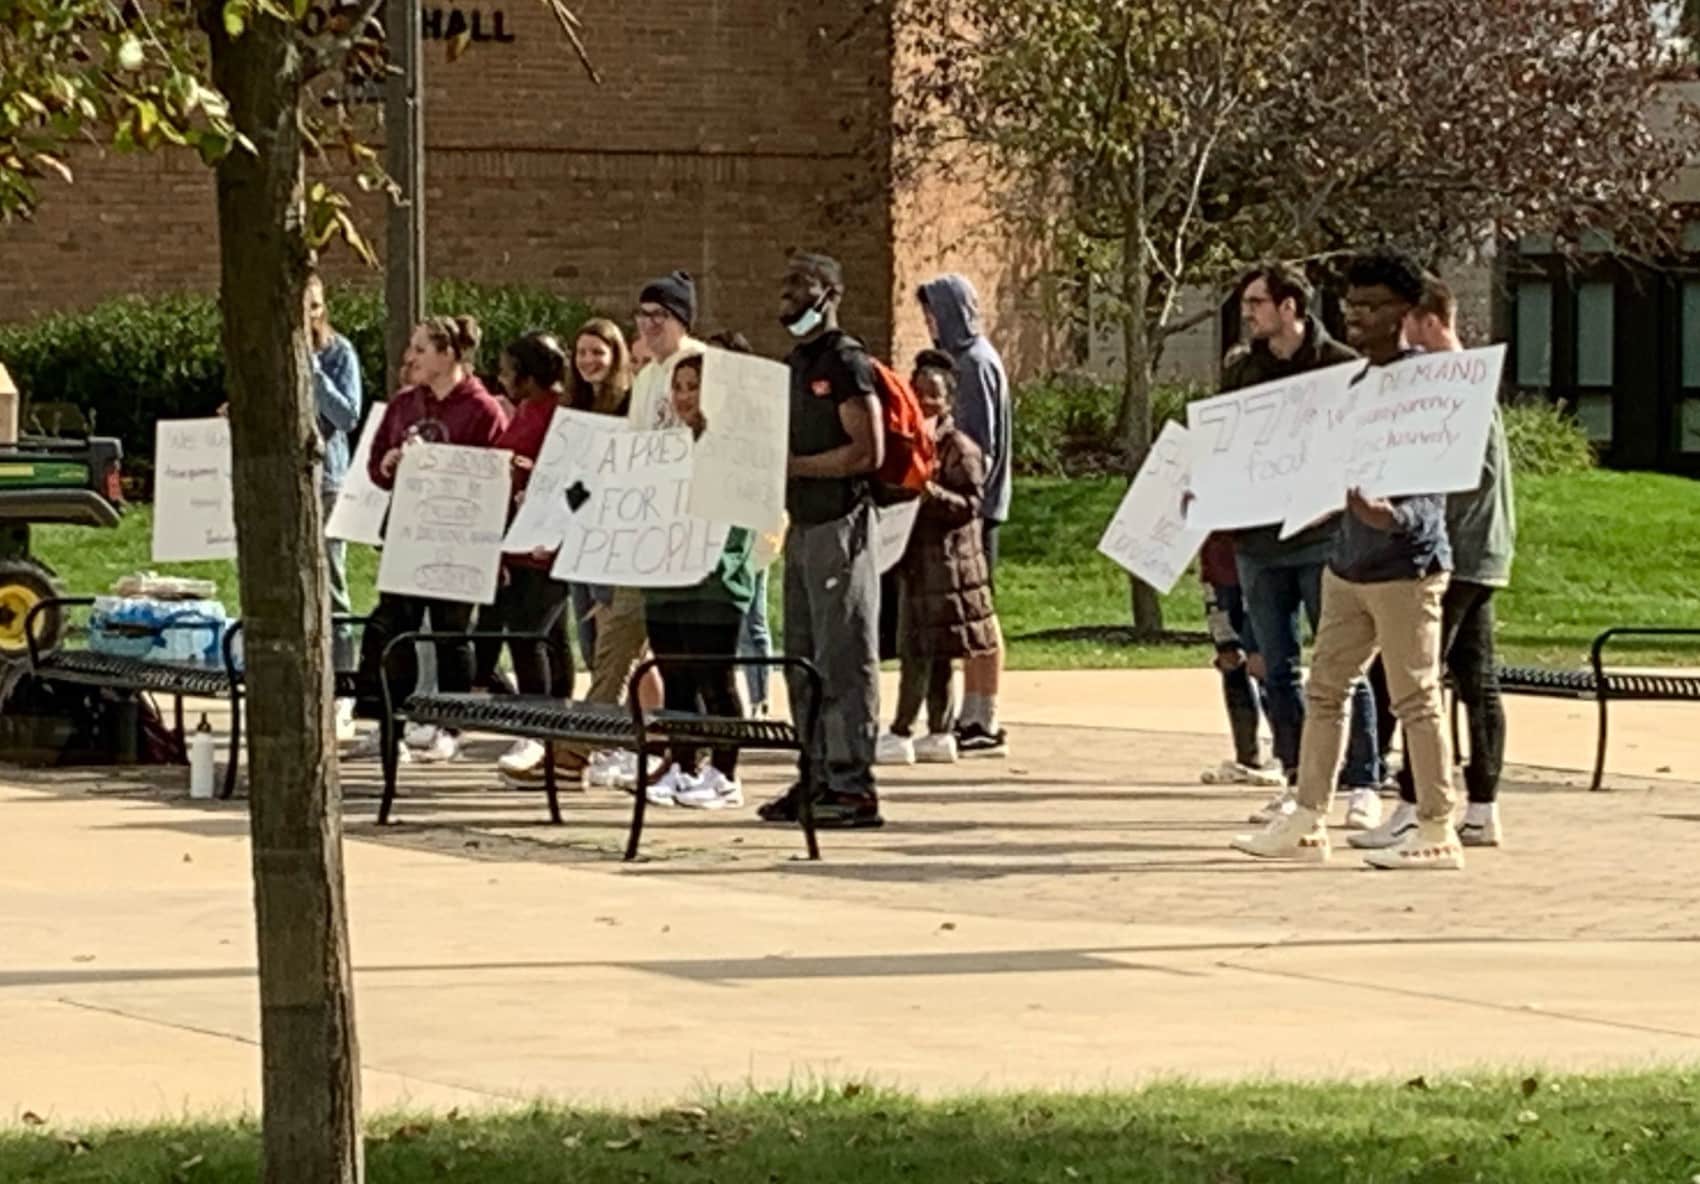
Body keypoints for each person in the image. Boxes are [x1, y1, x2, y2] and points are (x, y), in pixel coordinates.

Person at [1232, 249, 1462, 870]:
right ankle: (1308, 817)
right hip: (1346, 564)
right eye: (1352, 306)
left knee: (1414, 698)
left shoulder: (1430, 385)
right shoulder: (1353, 382)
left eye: (1372, 306)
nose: (1357, 317)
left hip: (1406, 569)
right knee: (1326, 688)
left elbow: (1433, 488)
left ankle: (1438, 826)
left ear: (1407, 313)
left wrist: (1393, 517)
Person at [1353, 274, 1515, 850]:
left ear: (1426, 320)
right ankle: (1482, 807)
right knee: (1475, 680)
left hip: (1458, 551)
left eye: (1404, 327)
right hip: (1483, 550)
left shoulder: (1454, 382)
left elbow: (1462, 474)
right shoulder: (1469, 379)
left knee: (1407, 677)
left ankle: (1417, 804)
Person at [1223, 261, 1385, 830]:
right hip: (1258, 541)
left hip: (1322, 537)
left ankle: (1363, 780)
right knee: (1275, 668)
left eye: (1257, 304)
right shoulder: (1244, 373)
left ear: (1290, 306)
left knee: (1341, 662)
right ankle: (1296, 780)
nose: (1248, 315)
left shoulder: (1342, 367)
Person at [757, 252, 885, 830]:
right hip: (802, 524)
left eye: (800, 288)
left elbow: (868, 451)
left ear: (829, 293)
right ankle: (814, 775)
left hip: (841, 522)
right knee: (803, 659)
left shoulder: (847, 362)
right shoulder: (795, 361)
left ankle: (853, 786)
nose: (788, 300)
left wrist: (799, 466)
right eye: (784, 288)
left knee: (845, 656)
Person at [348, 315, 508, 764]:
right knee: (395, 627)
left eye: (420, 348)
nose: (410, 357)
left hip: (459, 541)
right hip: (407, 535)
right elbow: (376, 463)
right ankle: (392, 723)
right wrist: (391, 463)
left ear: (449, 354)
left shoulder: (482, 410)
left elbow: (494, 475)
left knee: (451, 632)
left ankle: (450, 725)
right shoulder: (404, 404)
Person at [641, 354, 758, 809]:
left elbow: (742, 515)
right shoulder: (664, 446)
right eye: (680, 386)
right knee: (676, 679)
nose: (685, 396)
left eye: (694, 386)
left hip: (714, 583)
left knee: (715, 677)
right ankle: (683, 765)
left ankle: (725, 775)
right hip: (665, 581)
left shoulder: (734, 448)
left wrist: (717, 556)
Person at [464, 333, 579, 786]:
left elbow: (574, 477)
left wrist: (543, 486)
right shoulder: (527, 411)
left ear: (530, 376)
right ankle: (553, 725)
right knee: (544, 633)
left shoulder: (558, 415)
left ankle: (541, 727)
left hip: (544, 542)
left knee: (532, 635)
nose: (503, 377)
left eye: (509, 370)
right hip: (515, 536)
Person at [877, 350, 999, 766]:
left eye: (933, 395)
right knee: (925, 647)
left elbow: (970, 503)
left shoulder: (959, 448)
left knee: (925, 650)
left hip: (946, 567)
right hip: (914, 560)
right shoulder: (911, 443)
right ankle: (936, 728)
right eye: (918, 393)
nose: (925, 402)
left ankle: (905, 729)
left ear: (948, 402)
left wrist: (931, 494)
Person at [917, 275, 1011, 756]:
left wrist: (965, 493)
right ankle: (972, 712)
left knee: (979, 613)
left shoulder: (973, 364)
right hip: (976, 505)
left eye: (933, 313)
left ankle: (984, 714)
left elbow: (982, 443)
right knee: (971, 613)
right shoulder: (975, 358)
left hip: (975, 508)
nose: (929, 324)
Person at [706, 330, 776, 717]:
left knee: (753, 619)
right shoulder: (702, 409)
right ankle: (733, 696)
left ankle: (759, 700)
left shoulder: (754, 412)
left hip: (750, 527)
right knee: (724, 626)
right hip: (713, 528)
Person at [1197, 532, 1283, 787]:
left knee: (1264, 664)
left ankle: (1286, 757)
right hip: (1216, 578)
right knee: (1229, 660)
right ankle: (1246, 757)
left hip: (1258, 571)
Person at [628, 270, 706, 432]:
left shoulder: (706, 365)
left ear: (681, 322)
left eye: (658, 315)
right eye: (643, 314)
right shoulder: (645, 376)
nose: (648, 324)